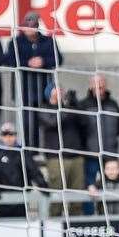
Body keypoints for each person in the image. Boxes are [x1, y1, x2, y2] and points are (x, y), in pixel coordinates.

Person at [5, 12, 62, 149]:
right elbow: (9, 60)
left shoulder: (48, 41)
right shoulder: (15, 42)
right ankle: (29, 152)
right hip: (23, 90)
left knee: (47, 121)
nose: (31, 29)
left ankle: (46, 151)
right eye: (28, 26)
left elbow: (58, 58)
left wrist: (43, 61)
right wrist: (27, 63)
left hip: (44, 89)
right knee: (26, 123)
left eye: (34, 26)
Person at [37, 86, 86, 216]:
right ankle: (54, 226)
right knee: (57, 197)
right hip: (56, 159)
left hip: (76, 157)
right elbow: (53, 122)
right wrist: (67, 107)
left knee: (77, 197)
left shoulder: (70, 108)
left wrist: (76, 105)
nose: (61, 92)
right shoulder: (44, 108)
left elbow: (84, 123)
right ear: (49, 93)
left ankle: (76, 227)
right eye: (56, 89)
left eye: (61, 89)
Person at [78, 73, 119, 199]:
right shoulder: (83, 105)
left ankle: (107, 213)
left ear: (105, 85)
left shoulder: (113, 104)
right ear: (90, 86)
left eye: (101, 84)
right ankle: (90, 216)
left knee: (111, 187)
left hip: (110, 155)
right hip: (91, 154)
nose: (99, 87)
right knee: (90, 186)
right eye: (96, 84)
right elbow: (79, 129)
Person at [0, 122, 48, 218]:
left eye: (11, 134)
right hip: (2, 202)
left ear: (15, 135)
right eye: (5, 134)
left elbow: (33, 171)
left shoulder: (23, 153)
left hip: (20, 200)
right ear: (1, 137)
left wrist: (43, 185)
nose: (8, 137)